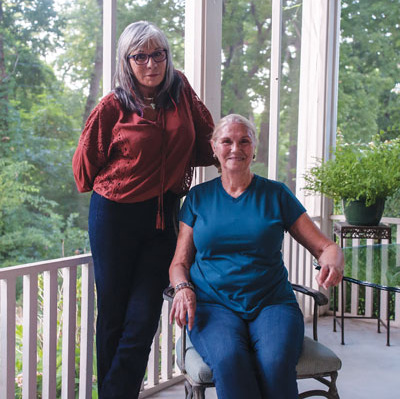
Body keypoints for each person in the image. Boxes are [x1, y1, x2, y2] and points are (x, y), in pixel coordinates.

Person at [72, 21, 214, 398]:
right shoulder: (113, 106)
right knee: (115, 316)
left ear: (167, 56)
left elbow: (207, 140)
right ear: (126, 61)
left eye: (158, 54)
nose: (151, 63)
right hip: (114, 216)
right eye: (140, 56)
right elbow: (83, 172)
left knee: (144, 316)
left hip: (164, 215)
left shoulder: (180, 90)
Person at [169, 114, 344, 399]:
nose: (235, 148)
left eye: (244, 141)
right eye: (226, 141)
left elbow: (326, 247)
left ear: (254, 149)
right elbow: (179, 263)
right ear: (214, 147)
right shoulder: (198, 198)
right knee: (229, 361)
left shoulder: (277, 194)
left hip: (272, 303)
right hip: (213, 305)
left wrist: (333, 260)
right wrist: (183, 287)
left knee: (275, 363)